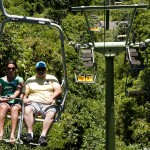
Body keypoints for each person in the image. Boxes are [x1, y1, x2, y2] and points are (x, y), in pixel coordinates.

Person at [22, 61, 62, 146]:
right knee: (27, 109)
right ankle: (30, 134)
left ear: (45, 69)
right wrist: (24, 99)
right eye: (38, 69)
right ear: (36, 70)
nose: (40, 71)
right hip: (33, 102)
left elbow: (58, 90)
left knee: (51, 113)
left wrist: (51, 98)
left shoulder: (52, 78)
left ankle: (43, 136)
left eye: (42, 69)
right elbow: (24, 94)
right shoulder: (30, 80)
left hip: (47, 104)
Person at [0, 60, 24, 143]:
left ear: (15, 69)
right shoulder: (1, 80)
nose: (10, 70)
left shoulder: (19, 79)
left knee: (15, 109)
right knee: (3, 107)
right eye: (8, 68)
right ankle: (1, 132)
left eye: (12, 68)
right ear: (6, 69)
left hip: (15, 101)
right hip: (5, 101)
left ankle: (12, 134)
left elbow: (19, 89)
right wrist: (1, 99)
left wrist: (13, 96)